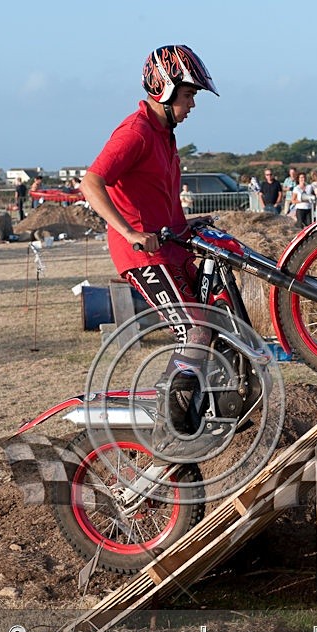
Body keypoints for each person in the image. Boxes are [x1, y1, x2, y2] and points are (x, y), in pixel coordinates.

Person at [80, 44, 221, 461]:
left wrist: (186, 225)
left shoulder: (165, 135)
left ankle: (202, 414)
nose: (192, 104)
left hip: (172, 249)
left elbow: (158, 198)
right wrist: (129, 231)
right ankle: (166, 431)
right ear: (164, 89)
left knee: (217, 322)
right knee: (193, 330)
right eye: (188, 94)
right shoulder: (136, 132)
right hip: (142, 255)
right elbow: (91, 183)